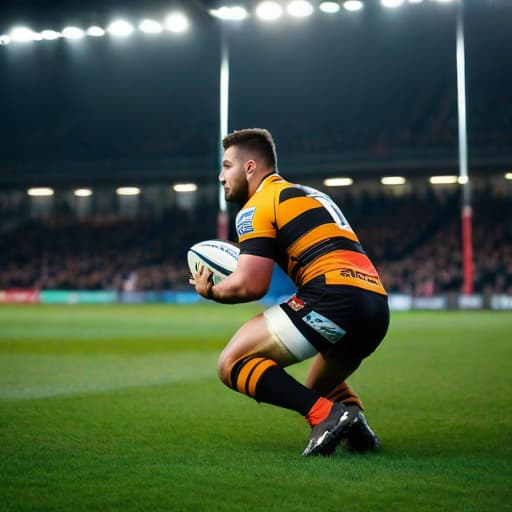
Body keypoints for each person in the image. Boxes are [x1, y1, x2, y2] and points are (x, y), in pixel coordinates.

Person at [190, 128, 389, 456]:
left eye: (227, 166)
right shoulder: (310, 194)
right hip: (375, 307)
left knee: (231, 362)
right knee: (314, 389)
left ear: (250, 167)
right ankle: (355, 426)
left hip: (332, 298)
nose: (221, 176)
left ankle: (328, 417)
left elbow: (251, 284)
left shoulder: (256, 206)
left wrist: (210, 291)